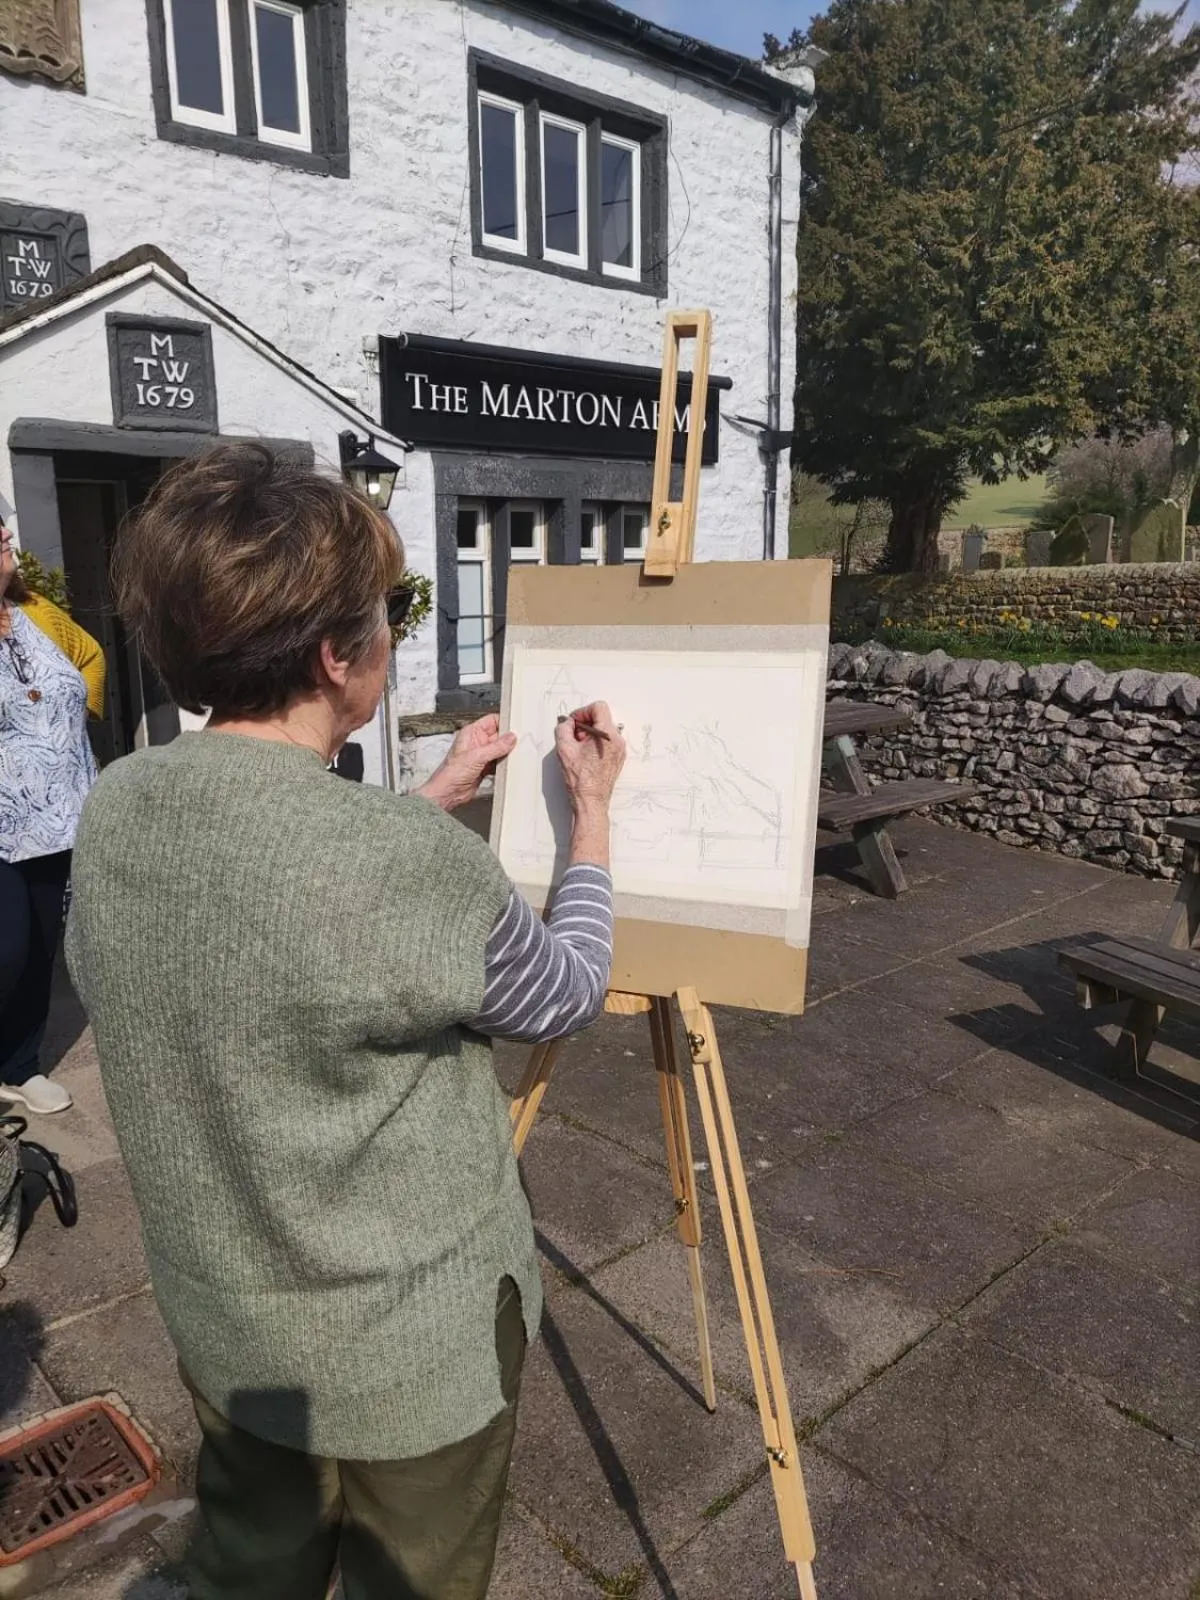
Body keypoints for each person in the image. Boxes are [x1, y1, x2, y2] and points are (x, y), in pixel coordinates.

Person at [65, 441, 626, 1600]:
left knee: (252, 1572)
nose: (391, 635)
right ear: (335, 654)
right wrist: (593, 820)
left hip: (230, 1328)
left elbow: (276, 905)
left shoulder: (116, 806)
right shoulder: (404, 862)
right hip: (409, 1356)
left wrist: (429, 801)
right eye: (388, 614)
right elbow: (566, 990)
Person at [0, 520, 105, 1116]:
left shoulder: (36, 611)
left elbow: (90, 655)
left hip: (58, 813)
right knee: (7, 948)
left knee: (40, 947)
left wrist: (76, 717)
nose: (7, 540)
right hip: (4, 822)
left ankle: (19, 1065)